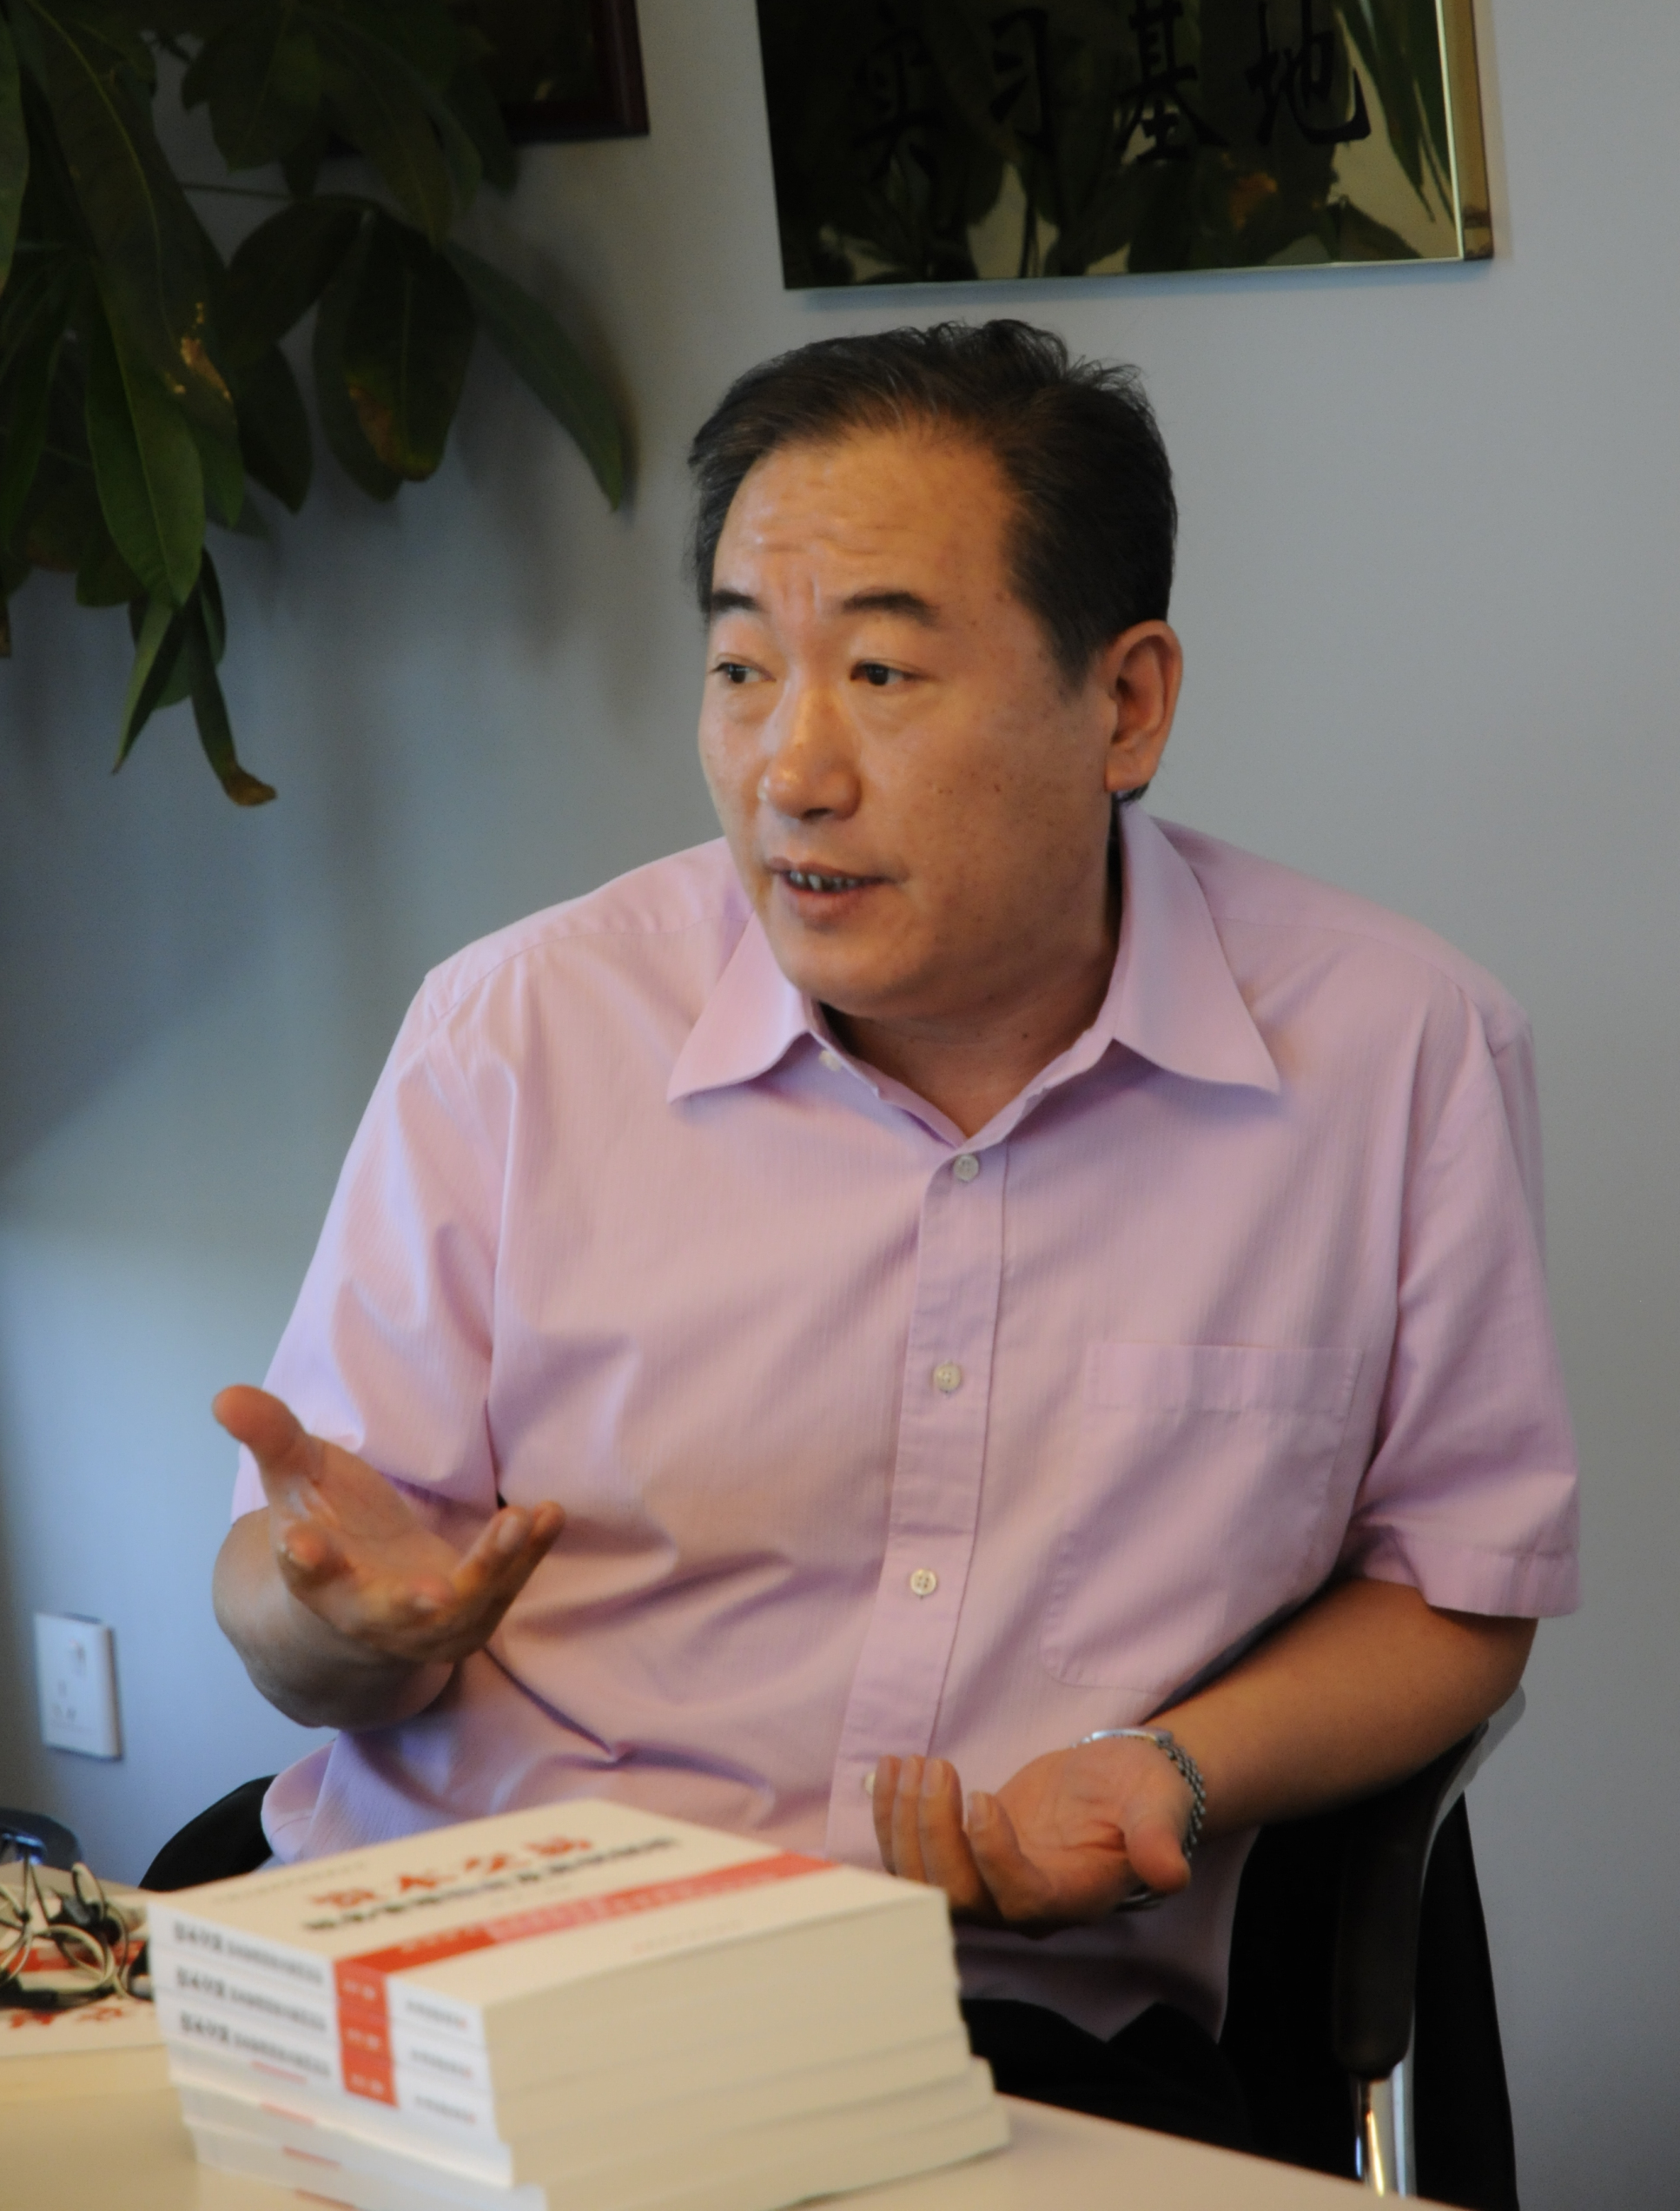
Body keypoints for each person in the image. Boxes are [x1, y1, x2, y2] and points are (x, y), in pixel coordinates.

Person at [213, 321, 1577, 2151]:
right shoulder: (518, 1031)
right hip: (474, 1984)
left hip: (999, 2035)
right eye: (740, 669)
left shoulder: (1396, 1057)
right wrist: (336, 1629)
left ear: (1127, 703)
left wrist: (1170, 1769)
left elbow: (1458, 1587)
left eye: (878, 672)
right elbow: (293, 1594)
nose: (791, 767)